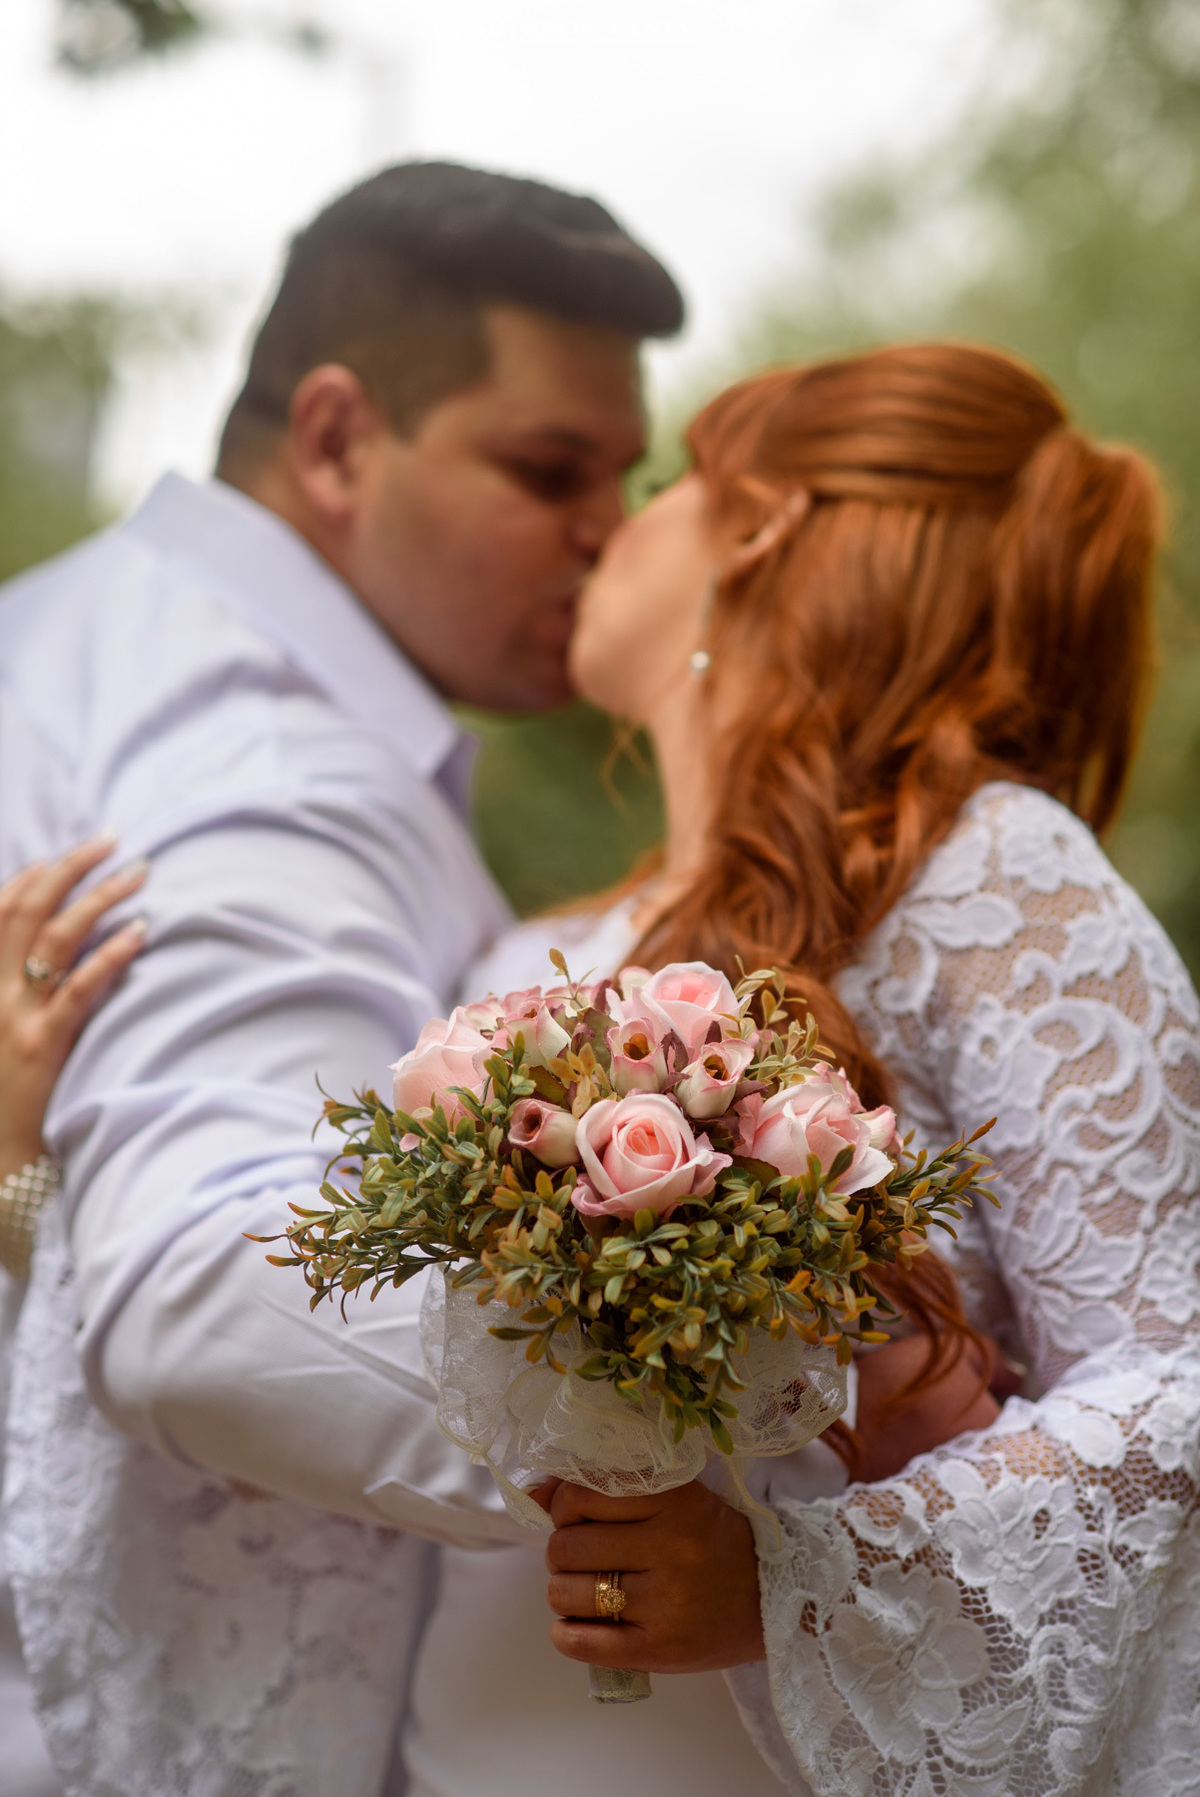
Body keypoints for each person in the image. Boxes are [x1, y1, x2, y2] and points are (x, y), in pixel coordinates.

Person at [0, 159, 683, 1795]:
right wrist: (739, 1437)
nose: (612, 532)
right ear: (332, 438)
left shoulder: (65, 626)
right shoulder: (273, 754)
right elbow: (186, 1292)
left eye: (628, 475)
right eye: (551, 468)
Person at [491, 340, 1196, 1796]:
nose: (613, 522)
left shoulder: (990, 877)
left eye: (670, 476)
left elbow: (1174, 1390)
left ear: (757, 525)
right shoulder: (546, 950)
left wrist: (799, 1587)